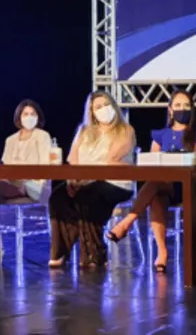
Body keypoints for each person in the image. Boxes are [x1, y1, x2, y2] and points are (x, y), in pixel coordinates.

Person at [104, 90, 196, 273]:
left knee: (155, 186)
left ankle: (126, 223)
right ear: (170, 110)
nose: (182, 109)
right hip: (164, 187)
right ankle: (162, 252)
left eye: (186, 105)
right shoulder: (160, 135)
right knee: (156, 191)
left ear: (192, 109)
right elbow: (154, 164)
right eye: (177, 105)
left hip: (190, 186)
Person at [48, 91, 135, 268]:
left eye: (106, 104)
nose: (103, 109)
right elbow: (73, 159)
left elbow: (112, 160)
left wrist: (85, 180)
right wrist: (73, 181)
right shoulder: (83, 131)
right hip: (84, 182)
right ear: (91, 112)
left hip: (116, 182)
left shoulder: (125, 130)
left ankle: (94, 254)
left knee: (88, 196)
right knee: (58, 197)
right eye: (98, 107)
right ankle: (60, 251)